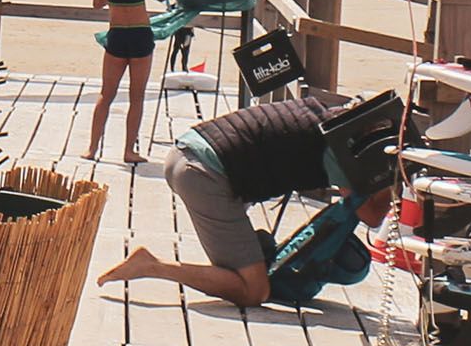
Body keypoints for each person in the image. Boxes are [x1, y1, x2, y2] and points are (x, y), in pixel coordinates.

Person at [97, 88, 386, 309]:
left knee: (244, 274)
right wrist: (392, 180)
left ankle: (246, 255)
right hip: (204, 176)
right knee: (253, 290)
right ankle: (152, 266)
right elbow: (370, 215)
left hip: (191, 153)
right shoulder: (337, 148)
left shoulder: (321, 113)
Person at [84, 0, 192, 162]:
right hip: (140, 37)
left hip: (117, 36)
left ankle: (92, 149)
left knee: (106, 94)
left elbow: (97, 3)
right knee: (137, 96)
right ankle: (129, 151)